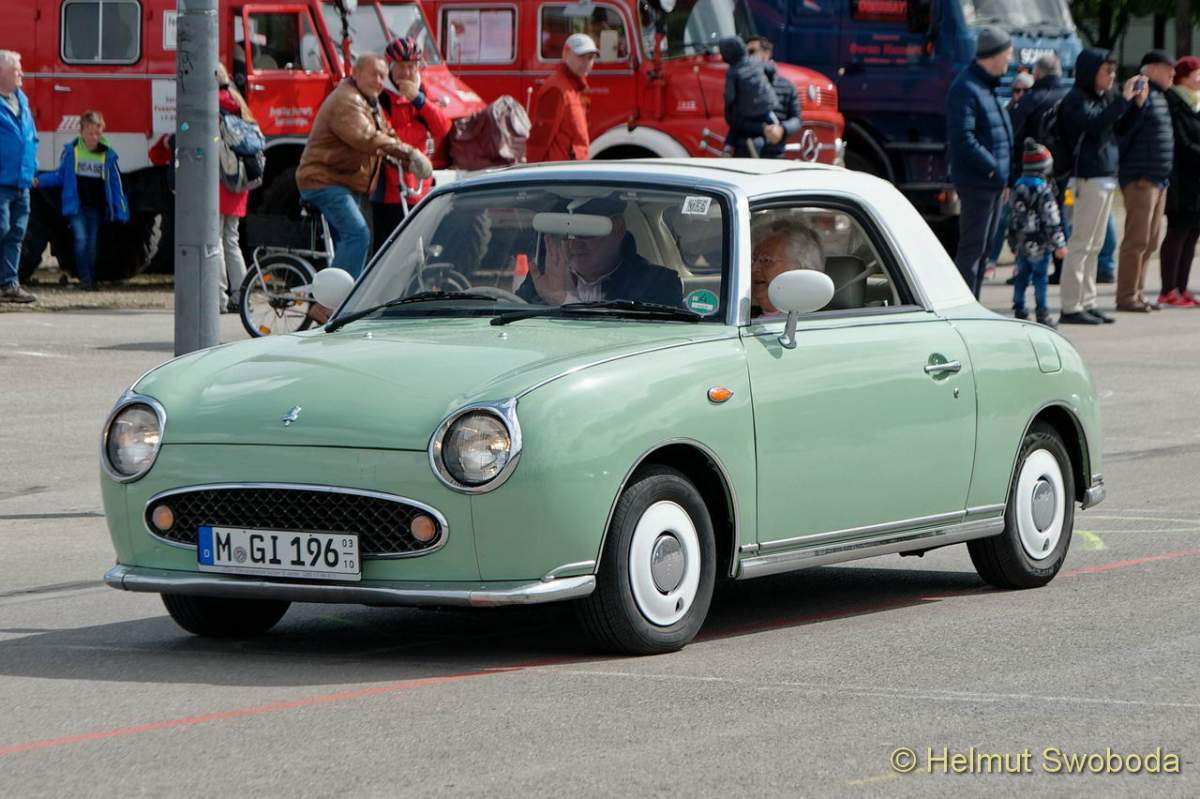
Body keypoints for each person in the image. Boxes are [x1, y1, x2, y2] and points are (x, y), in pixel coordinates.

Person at [295, 54, 432, 280]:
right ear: (356, 73)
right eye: (374, 74)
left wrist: (409, 163)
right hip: (324, 181)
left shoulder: (370, 102)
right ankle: (336, 297)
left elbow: (387, 135)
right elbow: (367, 138)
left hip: (347, 182)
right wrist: (410, 153)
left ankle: (349, 288)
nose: (379, 81)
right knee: (357, 235)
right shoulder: (347, 100)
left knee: (359, 243)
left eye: (383, 76)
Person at [1057, 48, 1140, 325]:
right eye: (1107, 71)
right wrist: (1121, 101)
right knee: (1081, 243)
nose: (1112, 76)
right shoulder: (1075, 99)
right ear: (1091, 72)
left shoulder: (1103, 97)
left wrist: (1135, 105)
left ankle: (1087, 301)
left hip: (1104, 177)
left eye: (1114, 71)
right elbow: (1094, 125)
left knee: (1096, 245)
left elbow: (1118, 128)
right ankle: (1071, 306)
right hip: (1085, 178)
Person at [945, 27, 1014, 298]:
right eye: (1007, 54)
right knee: (973, 250)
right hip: (978, 182)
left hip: (992, 182)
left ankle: (975, 303)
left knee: (984, 250)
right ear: (994, 55)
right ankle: (963, 306)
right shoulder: (966, 88)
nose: (1010, 60)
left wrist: (1002, 176)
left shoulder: (986, 85)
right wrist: (994, 169)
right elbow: (963, 138)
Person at [515, 195, 682, 307]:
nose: (573, 244)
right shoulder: (545, 278)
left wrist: (563, 299)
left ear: (618, 229)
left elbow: (628, 341)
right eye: (565, 233)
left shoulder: (658, 284)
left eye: (585, 231)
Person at [371, 36, 453, 255]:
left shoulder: (422, 91)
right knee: (387, 249)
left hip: (419, 185)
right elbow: (388, 138)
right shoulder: (381, 96)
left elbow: (443, 128)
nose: (406, 73)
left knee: (419, 250)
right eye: (401, 67)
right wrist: (419, 129)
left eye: (411, 66)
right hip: (389, 188)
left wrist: (419, 100)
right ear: (390, 67)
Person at [35, 110, 129, 290]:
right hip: (77, 206)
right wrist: (39, 180)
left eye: (97, 133)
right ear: (82, 132)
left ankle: (89, 279)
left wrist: (121, 209)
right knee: (81, 239)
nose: (94, 137)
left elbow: (116, 185)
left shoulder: (107, 155)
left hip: (96, 207)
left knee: (92, 244)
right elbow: (60, 176)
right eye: (90, 133)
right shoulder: (73, 152)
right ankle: (86, 279)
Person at [1115, 50, 1175, 313]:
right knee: (1136, 240)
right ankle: (1127, 296)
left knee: (1150, 241)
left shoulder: (1159, 95)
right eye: (1168, 69)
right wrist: (1135, 104)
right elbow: (1123, 128)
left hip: (1159, 178)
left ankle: (1138, 293)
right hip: (1141, 178)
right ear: (1152, 68)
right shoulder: (1141, 91)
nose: (1173, 74)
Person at [1010, 55, 1071, 284]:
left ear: (1037, 74)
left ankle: (1026, 269)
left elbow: (1015, 134)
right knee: (1058, 215)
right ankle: (1062, 265)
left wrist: (1014, 169)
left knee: (1027, 217)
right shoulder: (1069, 97)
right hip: (1065, 169)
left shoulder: (1031, 99)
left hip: (1033, 169)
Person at [1007, 140, 1067, 327]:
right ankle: (1042, 312)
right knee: (1040, 277)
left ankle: (1019, 308)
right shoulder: (1044, 191)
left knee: (1021, 277)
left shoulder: (1017, 188)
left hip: (1022, 244)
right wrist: (1059, 243)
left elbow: (1012, 217)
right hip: (1040, 244)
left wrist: (1012, 241)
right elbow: (1052, 219)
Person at [1157, 56, 1200, 307]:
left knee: (1193, 233)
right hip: (1181, 180)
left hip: (1196, 180)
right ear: (1183, 76)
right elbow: (1182, 143)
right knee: (1178, 232)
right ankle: (1168, 289)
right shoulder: (1174, 102)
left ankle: (1182, 288)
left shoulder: (1196, 103)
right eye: (1197, 74)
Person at [215, 63, 259, 312]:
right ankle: (241, 296)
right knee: (232, 240)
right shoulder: (238, 103)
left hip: (219, 180)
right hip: (239, 181)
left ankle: (219, 297)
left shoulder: (212, 104)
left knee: (216, 241)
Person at [0, 50, 37, 303]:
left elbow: (31, 135)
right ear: (2, 73)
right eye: (16, 70)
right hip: (2, 181)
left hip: (22, 182)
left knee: (16, 234)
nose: (22, 73)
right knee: (1, 229)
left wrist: (32, 168)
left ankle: (9, 285)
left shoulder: (21, 99)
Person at [526, 34, 596, 162]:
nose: (587, 63)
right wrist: (531, 169)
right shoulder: (557, 88)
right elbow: (540, 140)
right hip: (559, 169)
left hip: (569, 167)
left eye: (590, 57)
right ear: (566, 54)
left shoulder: (573, 87)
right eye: (581, 56)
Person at [719, 36, 781, 158]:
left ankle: (728, 146)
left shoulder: (733, 71)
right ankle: (775, 140)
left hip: (747, 110)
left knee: (735, 125)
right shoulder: (756, 62)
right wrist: (770, 85)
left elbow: (730, 96)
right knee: (774, 122)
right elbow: (772, 68)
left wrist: (729, 111)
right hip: (766, 105)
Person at [750, 216, 824, 316]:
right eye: (754, 260)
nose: (754, 268)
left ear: (800, 269)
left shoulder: (824, 320)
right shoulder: (742, 315)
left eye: (766, 260)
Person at [745, 35, 801, 159]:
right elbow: (736, 121)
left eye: (752, 52)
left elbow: (797, 119)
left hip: (776, 154)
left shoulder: (787, 86)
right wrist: (763, 129)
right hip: (748, 154)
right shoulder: (743, 85)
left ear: (767, 54)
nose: (748, 57)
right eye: (745, 53)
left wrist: (782, 129)